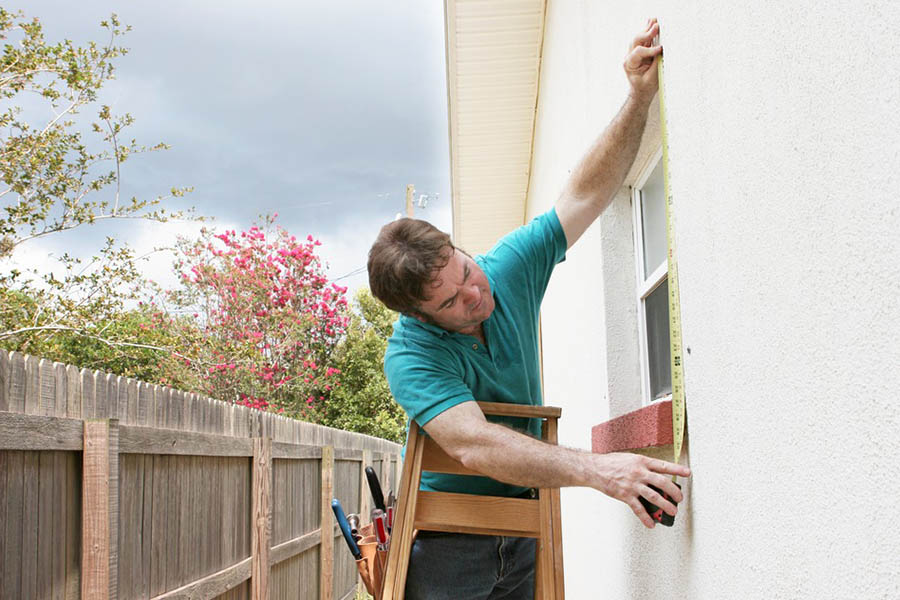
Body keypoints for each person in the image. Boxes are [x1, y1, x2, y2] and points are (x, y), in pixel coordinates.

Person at [367, 19, 691, 600]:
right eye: (451, 301)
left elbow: (585, 195)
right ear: (421, 315)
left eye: (465, 270)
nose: (475, 294)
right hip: (447, 541)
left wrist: (638, 97)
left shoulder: (505, 267)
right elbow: (476, 443)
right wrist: (602, 471)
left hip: (526, 527)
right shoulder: (410, 354)